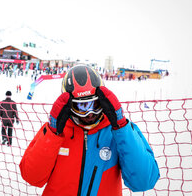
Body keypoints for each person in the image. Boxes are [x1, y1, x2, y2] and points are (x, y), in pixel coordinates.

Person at [20, 64, 160, 196]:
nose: (89, 113)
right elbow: (32, 177)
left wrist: (121, 127)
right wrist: (52, 133)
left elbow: (143, 182)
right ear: (69, 104)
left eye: (94, 104)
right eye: (82, 107)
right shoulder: (56, 132)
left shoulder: (119, 132)